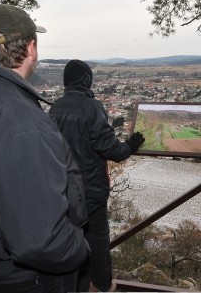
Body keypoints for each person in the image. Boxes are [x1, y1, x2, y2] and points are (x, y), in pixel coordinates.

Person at [0, 5, 88, 293]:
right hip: (35, 277)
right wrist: (79, 248)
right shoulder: (21, 122)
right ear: (31, 48)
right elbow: (41, 242)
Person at [49, 59, 145, 292]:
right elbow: (111, 150)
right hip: (91, 191)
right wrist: (130, 146)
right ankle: (102, 286)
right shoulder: (92, 107)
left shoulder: (55, 107)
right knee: (98, 241)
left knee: (73, 240)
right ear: (87, 80)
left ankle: (79, 286)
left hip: (63, 191)